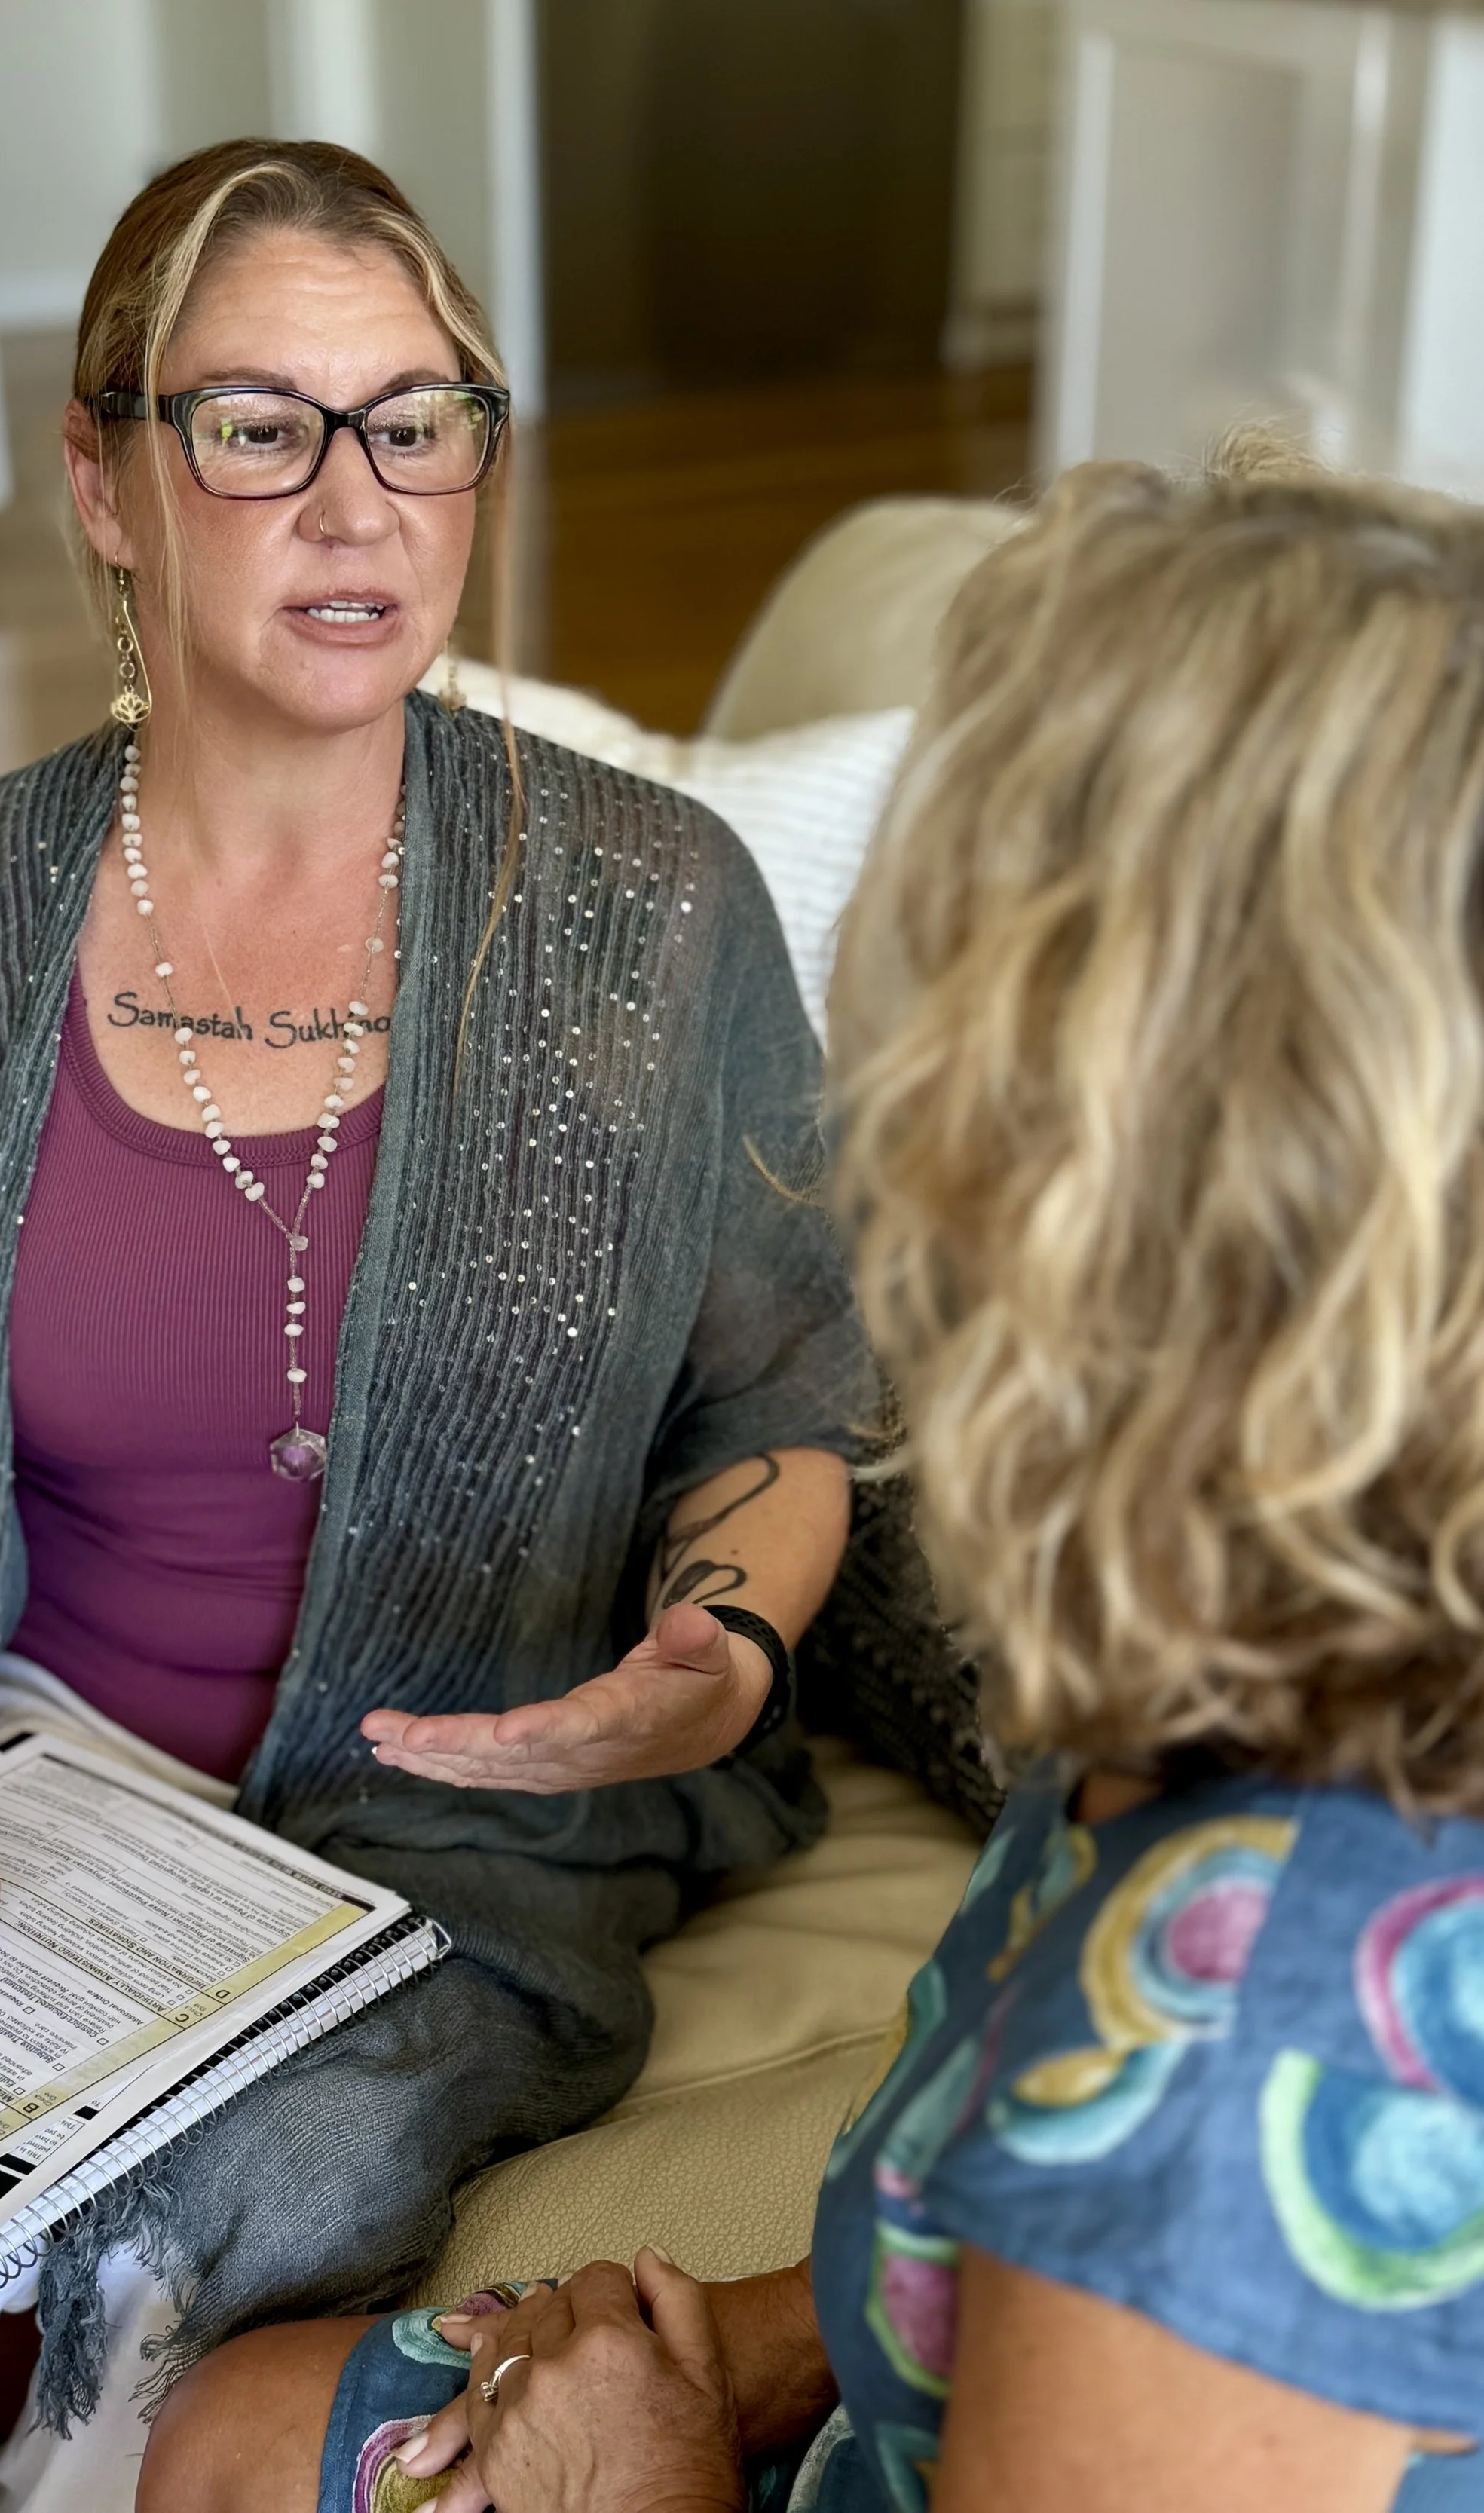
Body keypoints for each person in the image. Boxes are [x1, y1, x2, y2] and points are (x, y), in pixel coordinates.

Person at [0, 138, 866, 2513]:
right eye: (258, 423)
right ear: (107, 480)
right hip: (61, 1783)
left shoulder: (652, 911)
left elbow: (778, 1410)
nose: (357, 499)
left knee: (206, 2213)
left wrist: (709, 1663)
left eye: (416, 418)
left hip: (486, 1823)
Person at [143, 447, 1484, 2513]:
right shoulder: (1282, 1606)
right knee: (241, 2420)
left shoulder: (1227, 2121)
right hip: (951, 2382)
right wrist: (768, 2345)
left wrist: (647, 2477)